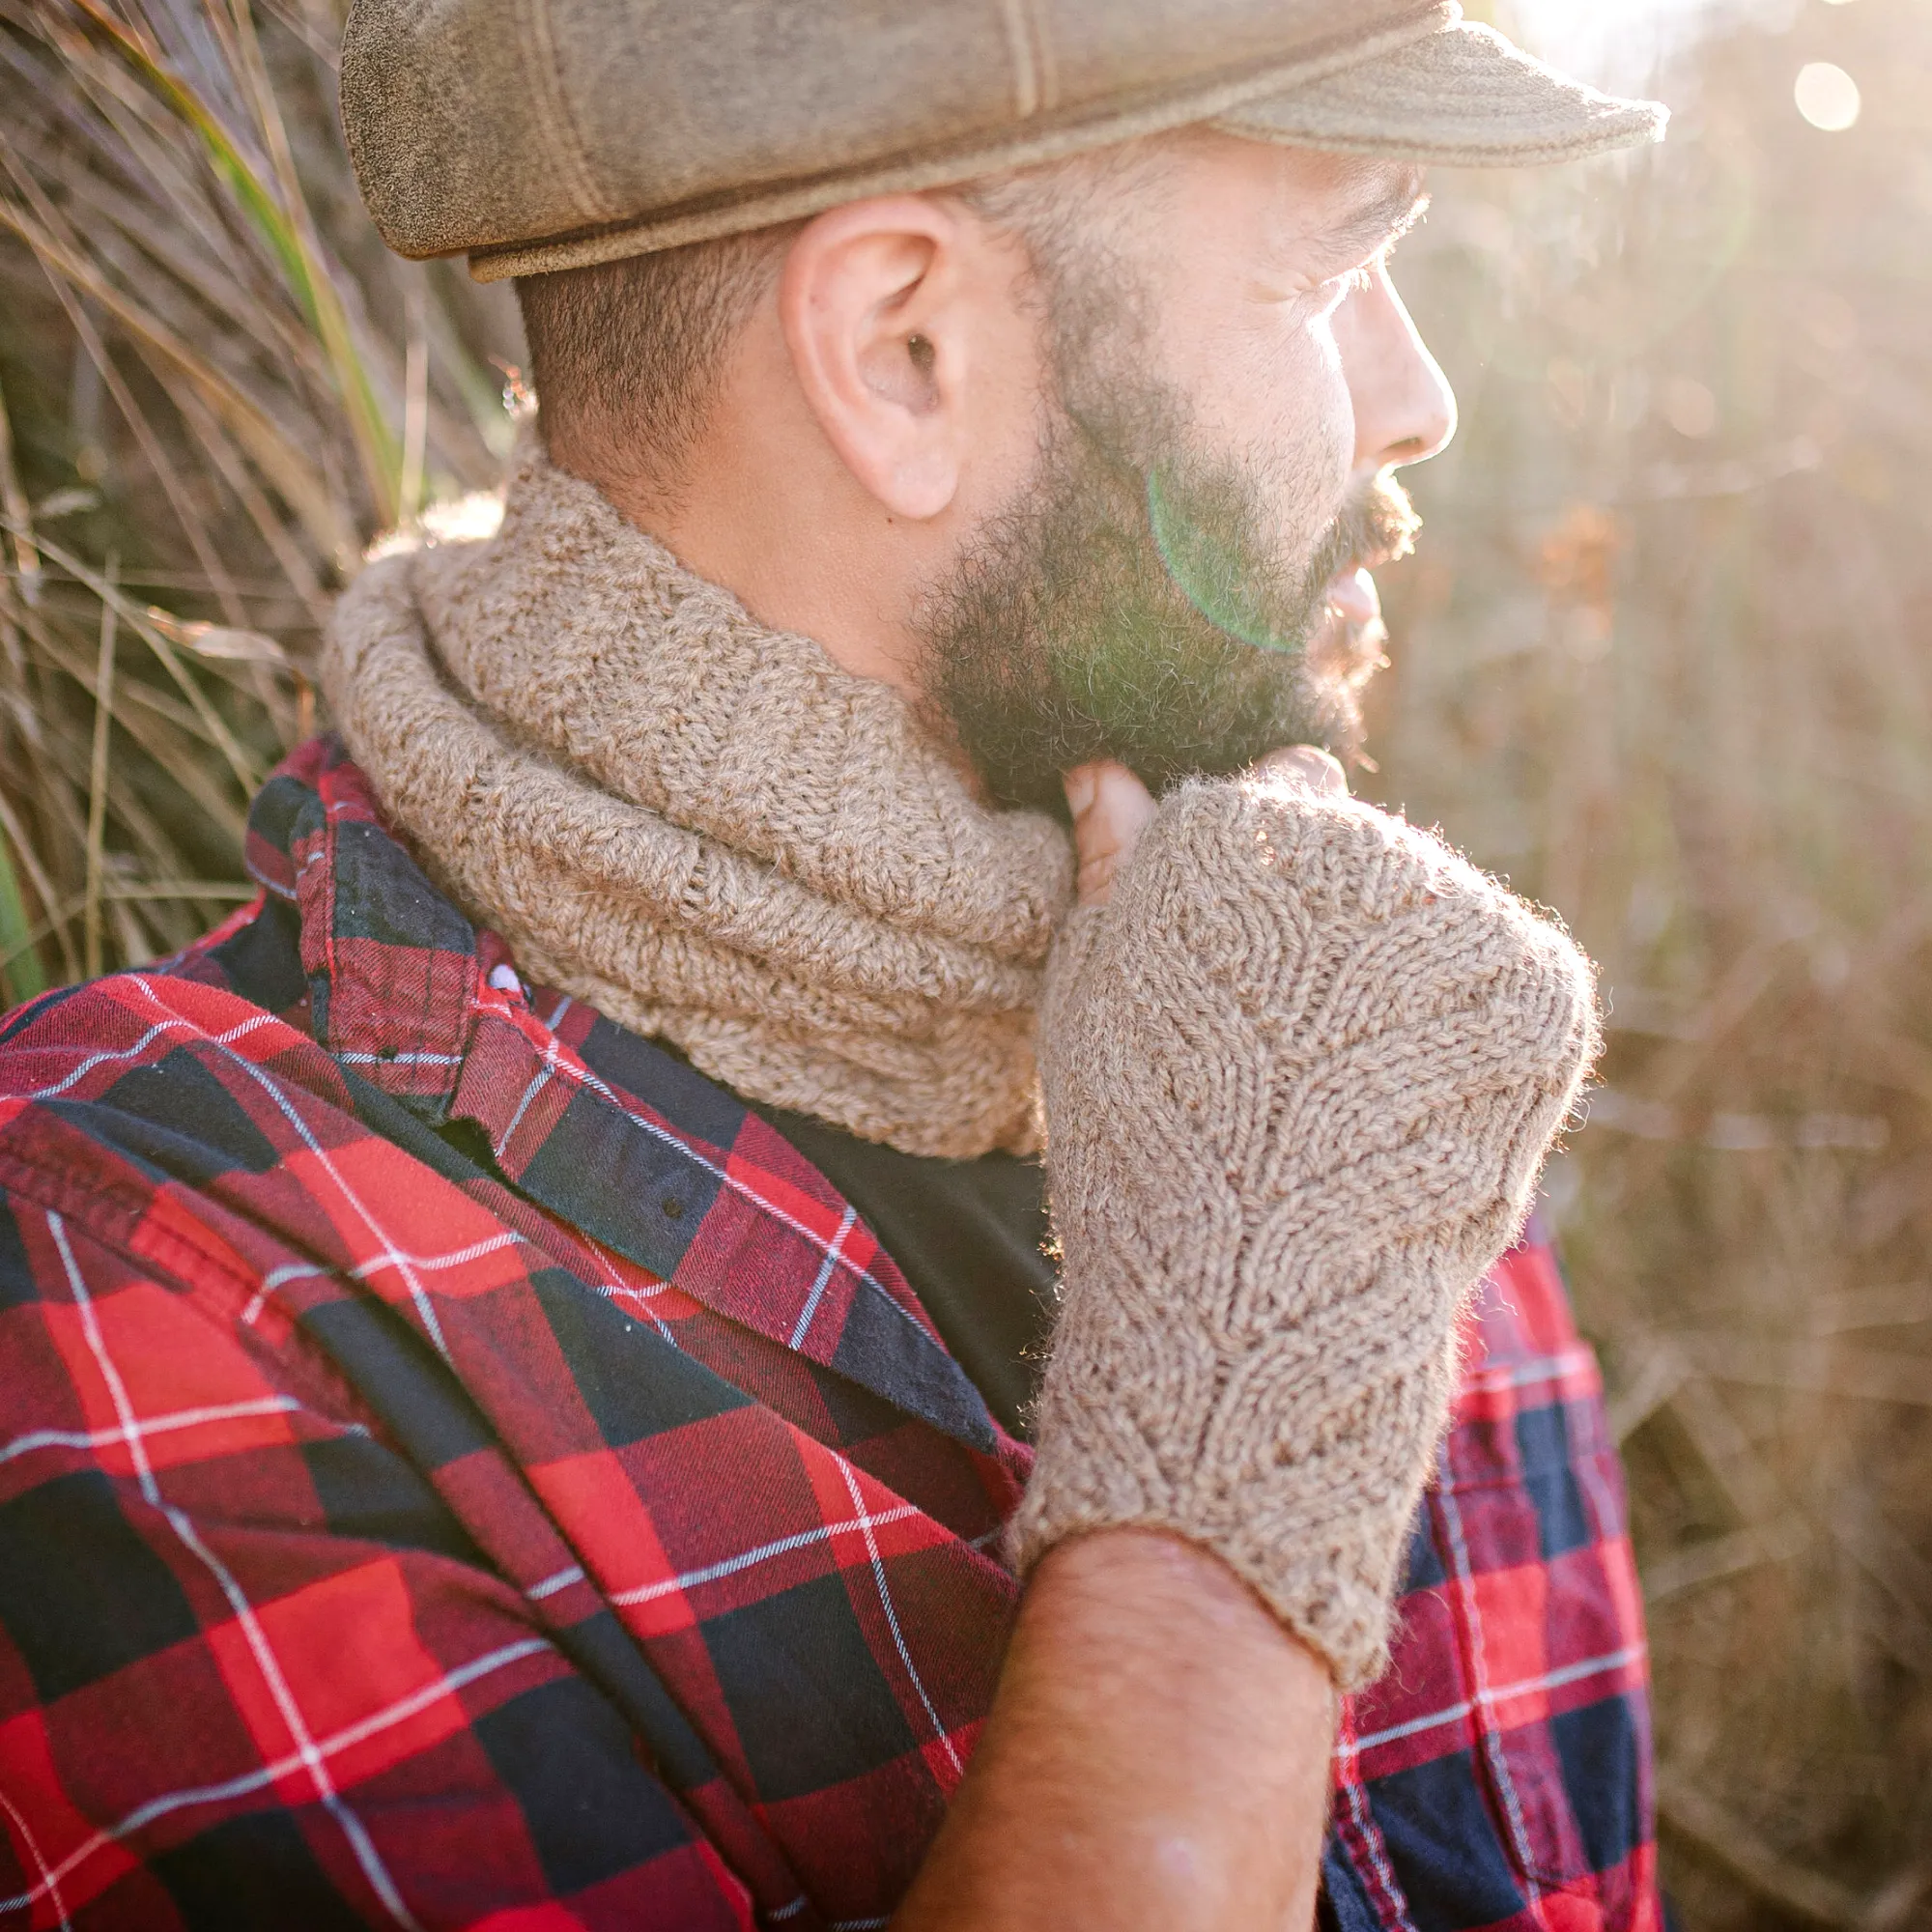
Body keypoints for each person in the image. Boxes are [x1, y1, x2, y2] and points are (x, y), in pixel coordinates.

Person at [0, 5, 1667, 1927]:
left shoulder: (1351, 1035)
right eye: (1329, 267)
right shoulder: (164, 1271)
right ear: (903, 351)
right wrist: (1218, 1513)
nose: (1418, 397)